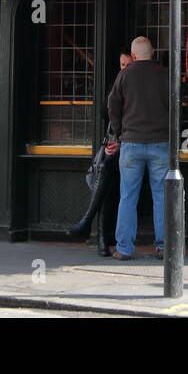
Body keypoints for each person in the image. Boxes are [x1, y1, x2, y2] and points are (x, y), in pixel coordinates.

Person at [108, 36, 170, 261]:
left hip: (131, 144)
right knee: (162, 196)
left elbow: (112, 105)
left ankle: (124, 248)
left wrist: (120, 132)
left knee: (128, 197)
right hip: (161, 143)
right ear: (152, 53)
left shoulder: (125, 75)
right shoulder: (165, 74)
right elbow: (177, 106)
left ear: (133, 56)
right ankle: (163, 246)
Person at [67, 48, 132, 256]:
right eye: (122, 65)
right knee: (107, 185)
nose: (124, 69)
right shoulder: (115, 86)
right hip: (113, 145)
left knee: (107, 178)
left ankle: (89, 223)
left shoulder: (137, 86)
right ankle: (102, 239)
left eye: (128, 65)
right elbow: (107, 114)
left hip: (130, 146)